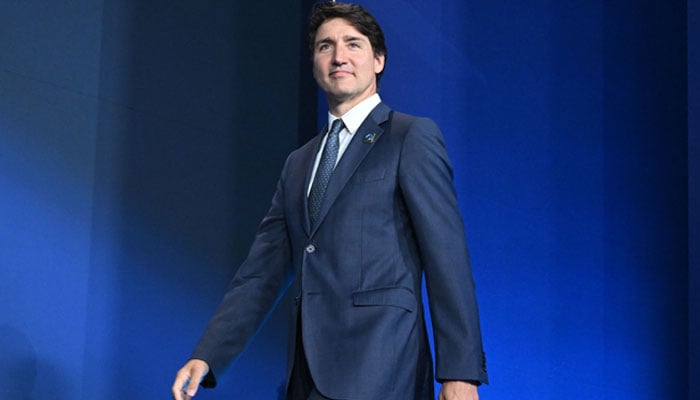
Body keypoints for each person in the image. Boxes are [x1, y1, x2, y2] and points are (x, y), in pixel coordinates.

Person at [172, 2, 488, 399]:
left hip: (384, 370)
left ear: (378, 60)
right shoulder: (298, 163)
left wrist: (459, 373)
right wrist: (209, 354)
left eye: (353, 44)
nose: (339, 56)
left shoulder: (410, 137)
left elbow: (447, 259)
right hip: (305, 378)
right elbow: (260, 273)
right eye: (325, 47)